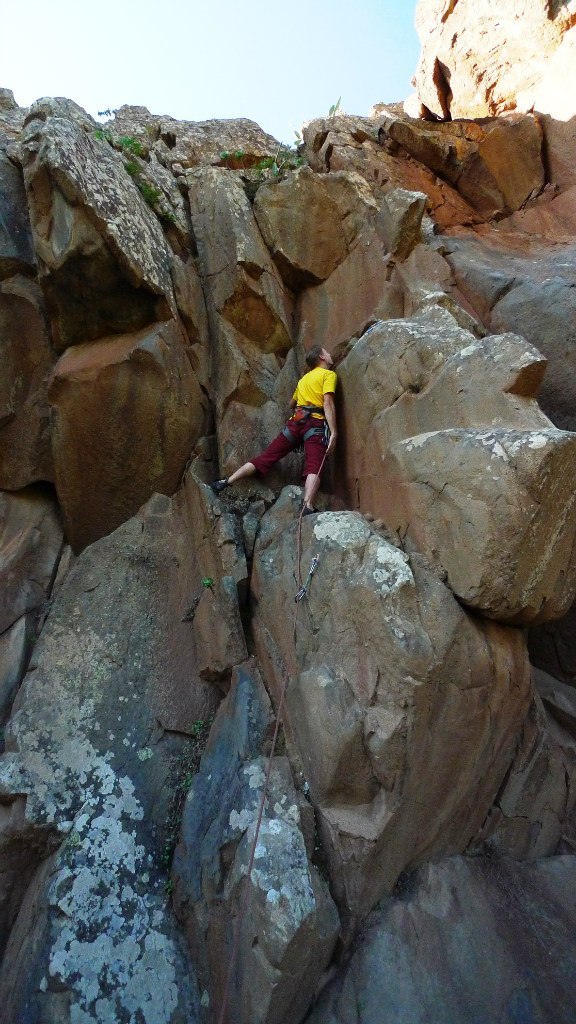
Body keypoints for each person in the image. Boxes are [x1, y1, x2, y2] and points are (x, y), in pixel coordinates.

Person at [211, 345, 337, 515]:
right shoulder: (328, 375)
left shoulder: (304, 380)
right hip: (315, 424)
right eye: (327, 352)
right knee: (314, 467)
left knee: (266, 457)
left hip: (296, 422)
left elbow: (291, 404)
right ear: (322, 357)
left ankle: (226, 481)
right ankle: (307, 506)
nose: (330, 355)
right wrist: (334, 432)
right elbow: (327, 403)